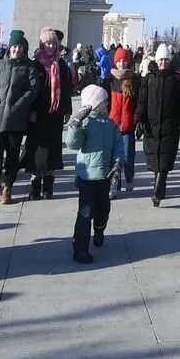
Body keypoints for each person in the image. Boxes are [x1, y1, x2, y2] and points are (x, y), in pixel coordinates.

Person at [0, 29, 41, 205]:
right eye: (14, 46)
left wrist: (18, 105)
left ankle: (8, 186)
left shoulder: (29, 67)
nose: (17, 50)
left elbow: (33, 90)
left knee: (12, 155)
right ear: (9, 47)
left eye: (20, 46)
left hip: (15, 119)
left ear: (24, 48)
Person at [66, 83, 119, 263]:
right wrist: (75, 123)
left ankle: (99, 228)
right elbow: (72, 144)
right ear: (95, 103)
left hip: (105, 175)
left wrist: (118, 164)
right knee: (85, 212)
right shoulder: (85, 123)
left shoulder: (111, 124)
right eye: (104, 101)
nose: (107, 104)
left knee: (103, 209)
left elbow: (119, 147)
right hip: (86, 176)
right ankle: (80, 249)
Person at [135, 43, 180, 205]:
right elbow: (142, 101)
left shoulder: (177, 78)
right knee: (154, 159)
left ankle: (157, 191)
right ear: (156, 60)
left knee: (165, 159)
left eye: (166, 59)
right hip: (152, 125)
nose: (163, 62)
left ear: (169, 60)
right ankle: (160, 187)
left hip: (170, 125)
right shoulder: (149, 78)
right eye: (161, 60)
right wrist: (138, 119)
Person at [26, 28, 74, 200]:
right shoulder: (35, 64)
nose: (50, 46)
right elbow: (29, 89)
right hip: (38, 113)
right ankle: (35, 183)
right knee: (36, 149)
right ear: (42, 44)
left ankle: (48, 183)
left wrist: (67, 109)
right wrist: (30, 109)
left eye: (53, 43)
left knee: (52, 150)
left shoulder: (61, 64)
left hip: (55, 113)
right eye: (47, 43)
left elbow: (67, 89)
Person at [105, 46, 139, 196]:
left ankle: (130, 177)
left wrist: (137, 120)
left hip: (128, 126)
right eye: (119, 61)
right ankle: (115, 186)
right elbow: (104, 102)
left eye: (125, 61)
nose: (122, 64)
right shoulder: (109, 80)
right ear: (115, 62)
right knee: (114, 158)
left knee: (127, 156)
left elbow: (138, 102)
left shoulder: (134, 80)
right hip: (112, 124)